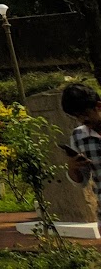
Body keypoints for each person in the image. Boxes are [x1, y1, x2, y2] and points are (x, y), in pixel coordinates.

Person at [61, 82, 101, 221]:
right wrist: (73, 168)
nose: (83, 120)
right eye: (77, 116)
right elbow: (82, 181)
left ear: (98, 106)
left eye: (85, 114)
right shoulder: (79, 136)